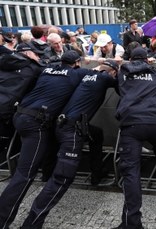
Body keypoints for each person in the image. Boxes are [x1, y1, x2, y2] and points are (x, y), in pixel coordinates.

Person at [21, 60, 118, 227]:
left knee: (96, 134)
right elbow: (123, 85)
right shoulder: (105, 78)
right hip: (72, 129)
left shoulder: (85, 75)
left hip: (60, 124)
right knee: (62, 179)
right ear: (113, 73)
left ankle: (95, 174)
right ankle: (31, 223)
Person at [0, 50, 91, 227]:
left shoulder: (47, 69)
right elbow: (100, 74)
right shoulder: (77, 73)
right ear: (77, 63)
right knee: (24, 175)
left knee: (26, 168)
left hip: (20, 117)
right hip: (36, 123)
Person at [113, 47, 156, 229]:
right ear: (147, 60)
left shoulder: (122, 72)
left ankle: (132, 223)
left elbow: (117, 76)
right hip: (155, 123)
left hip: (131, 125)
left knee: (131, 174)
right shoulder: (154, 73)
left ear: (130, 59)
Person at [0, 43, 45, 158]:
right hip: (8, 111)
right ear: (28, 53)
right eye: (37, 54)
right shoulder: (33, 67)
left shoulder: (3, 62)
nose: (39, 57)